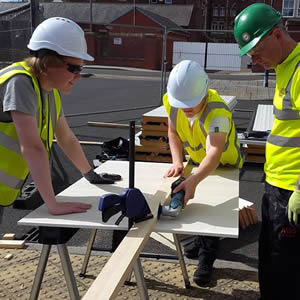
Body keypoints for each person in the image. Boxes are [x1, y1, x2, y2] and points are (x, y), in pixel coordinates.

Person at [0, 17, 119, 224]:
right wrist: (53, 205)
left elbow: (66, 137)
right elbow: (32, 147)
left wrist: (90, 173)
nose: (78, 76)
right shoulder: (20, 83)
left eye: (81, 69)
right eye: (73, 68)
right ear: (47, 61)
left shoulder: (48, 91)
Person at [234, 3, 300, 299]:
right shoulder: (285, 67)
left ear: (276, 35)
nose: (254, 59)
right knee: (273, 267)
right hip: (277, 187)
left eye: (256, 50)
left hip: (291, 191)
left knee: (284, 274)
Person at [163, 60, 242, 285]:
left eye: (192, 103)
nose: (185, 108)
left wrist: (195, 179)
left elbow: (215, 152)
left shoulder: (217, 111)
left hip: (226, 165)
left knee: (213, 213)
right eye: (182, 103)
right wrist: (177, 162)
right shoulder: (172, 100)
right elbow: (173, 132)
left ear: (205, 93)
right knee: (197, 203)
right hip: (198, 161)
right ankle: (200, 243)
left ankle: (206, 259)